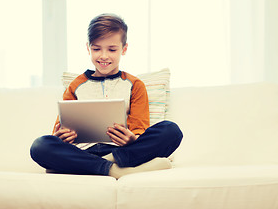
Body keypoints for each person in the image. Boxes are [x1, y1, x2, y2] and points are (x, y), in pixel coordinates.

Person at [30, 13, 183, 179]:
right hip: (82, 151)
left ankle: (93, 165)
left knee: (171, 130)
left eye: (112, 49)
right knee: (40, 146)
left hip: (121, 151)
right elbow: (58, 131)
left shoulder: (135, 85)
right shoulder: (76, 85)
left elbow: (139, 129)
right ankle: (114, 170)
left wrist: (132, 139)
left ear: (124, 49)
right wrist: (62, 136)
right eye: (96, 49)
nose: (103, 56)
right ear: (88, 48)